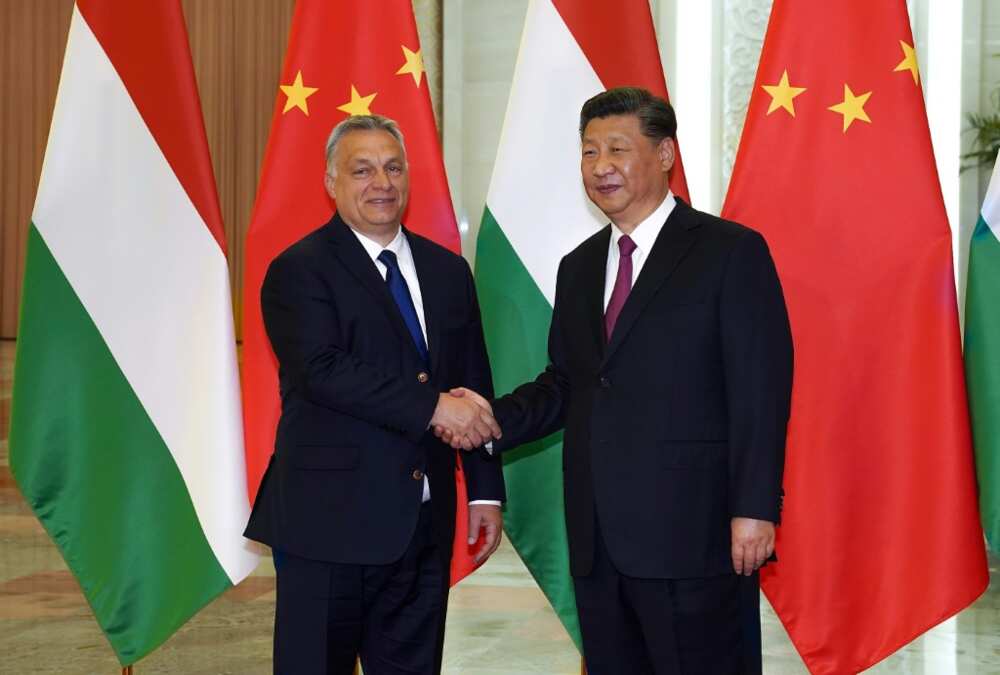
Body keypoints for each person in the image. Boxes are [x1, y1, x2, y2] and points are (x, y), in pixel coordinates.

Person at [438, 87, 793, 674]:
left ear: (665, 154)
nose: (601, 166)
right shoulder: (578, 267)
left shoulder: (730, 252)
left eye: (618, 149)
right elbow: (567, 384)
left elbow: (761, 391)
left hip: (694, 536)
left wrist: (754, 508)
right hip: (600, 542)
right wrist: (489, 419)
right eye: (588, 151)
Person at [245, 114, 505, 675]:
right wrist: (434, 406)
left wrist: (485, 489)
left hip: (422, 526)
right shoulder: (299, 271)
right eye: (361, 170)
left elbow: (472, 381)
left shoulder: (448, 271)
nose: (380, 183)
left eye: (392, 167)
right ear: (331, 182)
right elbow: (322, 370)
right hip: (327, 527)